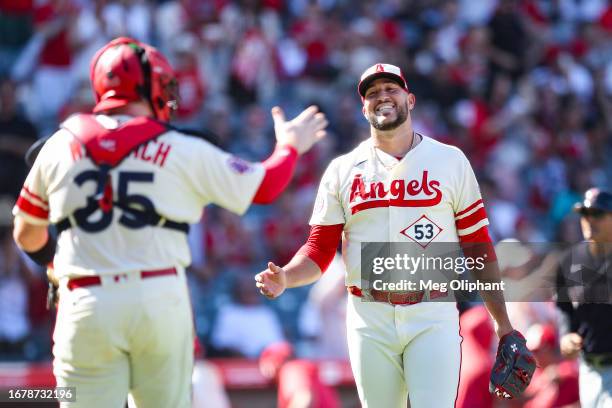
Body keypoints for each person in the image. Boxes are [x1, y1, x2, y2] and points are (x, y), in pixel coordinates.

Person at [11, 36, 327, 408]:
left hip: (85, 299)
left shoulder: (58, 146)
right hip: (158, 297)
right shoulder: (181, 146)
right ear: (151, 86)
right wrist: (289, 145)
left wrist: (53, 266)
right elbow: (268, 184)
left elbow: (26, 233)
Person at [255, 63, 521, 407]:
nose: (383, 96)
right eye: (373, 93)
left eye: (391, 89)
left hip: (432, 309)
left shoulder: (450, 160)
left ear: (410, 100)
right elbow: (320, 248)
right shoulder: (342, 170)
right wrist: (286, 277)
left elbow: (478, 246)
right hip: (370, 315)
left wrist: (503, 325)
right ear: (363, 108)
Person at [556, 188, 612, 408]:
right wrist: (565, 334)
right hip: (588, 369)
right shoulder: (570, 260)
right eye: (584, 214)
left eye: (598, 214)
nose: (589, 220)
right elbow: (564, 306)